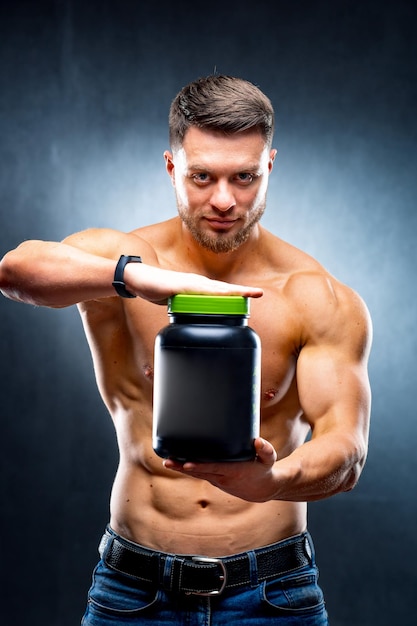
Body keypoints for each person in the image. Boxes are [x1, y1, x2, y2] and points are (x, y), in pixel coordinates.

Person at [0, 74, 372, 625]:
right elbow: (15, 270)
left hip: (272, 592)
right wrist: (139, 280)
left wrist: (273, 482)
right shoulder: (125, 260)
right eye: (202, 177)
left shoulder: (312, 295)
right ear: (172, 168)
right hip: (134, 587)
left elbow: (347, 452)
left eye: (244, 177)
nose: (224, 200)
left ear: (269, 166)